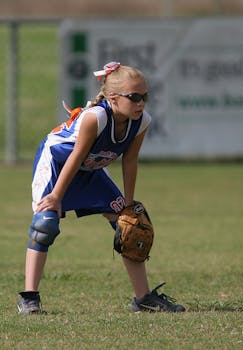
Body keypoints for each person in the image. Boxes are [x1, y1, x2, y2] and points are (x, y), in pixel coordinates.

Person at [17, 62, 185, 314]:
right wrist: (55, 196)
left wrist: (128, 203)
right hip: (57, 164)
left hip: (90, 169)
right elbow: (75, 156)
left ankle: (144, 299)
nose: (141, 103)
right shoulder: (95, 117)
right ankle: (29, 298)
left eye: (145, 97)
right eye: (134, 97)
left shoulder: (141, 122)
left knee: (129, 227)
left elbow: (130, 161)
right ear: (113, 98)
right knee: (45, 224)